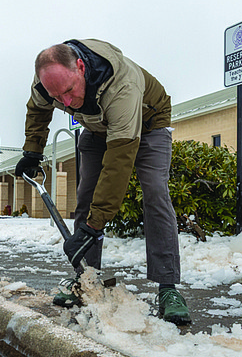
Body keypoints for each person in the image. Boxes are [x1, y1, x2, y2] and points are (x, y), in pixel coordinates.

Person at [15, 39, 190, 325]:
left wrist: (94, 227)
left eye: (70, 91)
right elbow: (37, 110)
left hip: (147, 124)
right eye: (58, 96)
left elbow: (119, 163)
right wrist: (32, 150)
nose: (67, 102)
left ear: (81, 68)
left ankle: (168, 287)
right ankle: (87, 278)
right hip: (96, 127)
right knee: (85, 195)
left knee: (155, 192)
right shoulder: (48, 79)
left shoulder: (122, 84)